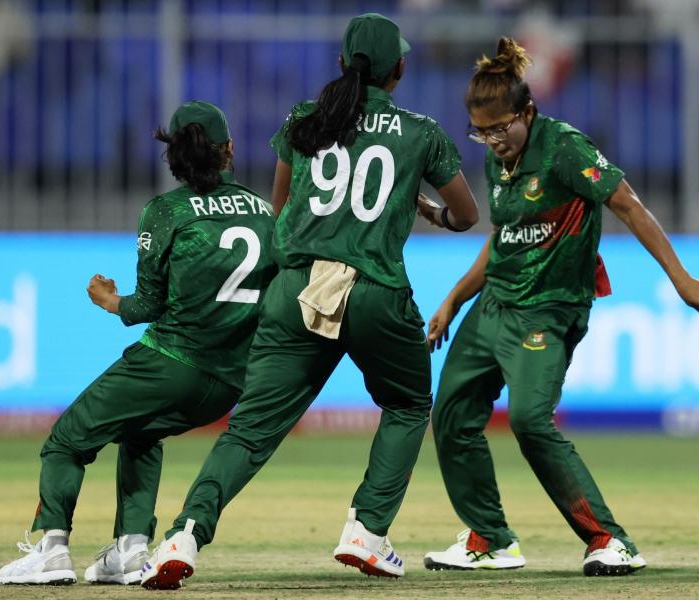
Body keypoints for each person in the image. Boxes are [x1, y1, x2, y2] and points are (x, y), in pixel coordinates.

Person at [139, 13, 479, 591]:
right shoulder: (422, 132)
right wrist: (431, 213)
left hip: (295, 288)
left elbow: (280, 212)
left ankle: (184, 535)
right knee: (407, 402)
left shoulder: (303, 120)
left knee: (249, 430)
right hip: (373, 291)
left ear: (343, 64)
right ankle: (367, 531)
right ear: (398, 70)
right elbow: (468, 216)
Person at [419, 38, 699, 576]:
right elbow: (506, 238)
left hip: (548, 309)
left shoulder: (565, 148)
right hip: (495, 303)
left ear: (527, 112)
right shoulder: (501, 163)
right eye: (482, 131)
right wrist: (453, 298)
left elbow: (628, 205)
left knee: (528, 420)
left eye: (502, 127)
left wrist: (681, 279)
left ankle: (611, 541)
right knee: (450, 413)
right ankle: (491, 539)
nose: (494, 140)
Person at [0, 101, 277, 585]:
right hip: (230, 380)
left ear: (175, 157)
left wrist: (109, 301)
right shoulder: (266, 212)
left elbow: (146, 306)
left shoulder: (165, 211)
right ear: (228, 150)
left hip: (170, 360)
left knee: (66, 440)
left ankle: (51, 546)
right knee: (141, 432)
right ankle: (130, 549)